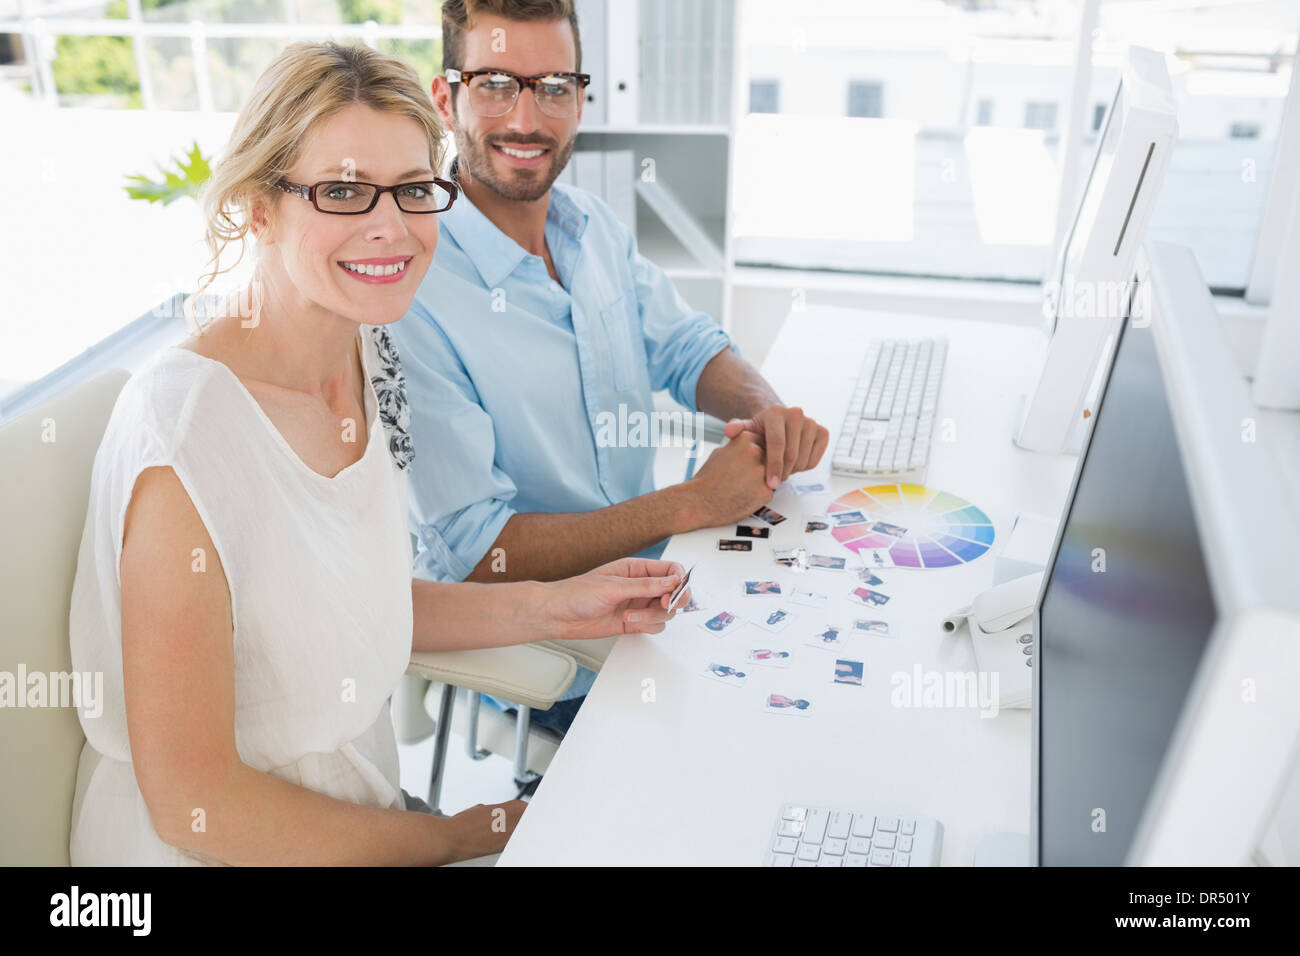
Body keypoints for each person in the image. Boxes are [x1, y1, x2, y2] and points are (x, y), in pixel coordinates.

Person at [67, 40, 687, 867]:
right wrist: (458, 836)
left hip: (364, 815)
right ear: (258, 205)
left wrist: (559, 605)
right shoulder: (187, 434)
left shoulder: (372, 351)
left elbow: (352, 601)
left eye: (412, 190)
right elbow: (194, 805)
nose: (391, 229)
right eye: (345, 191)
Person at [390, 0, 830, 732]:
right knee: (757, 742)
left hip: (669, 577)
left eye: (554, 85)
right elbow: (478, 554)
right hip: (554, 639)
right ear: (448, 98)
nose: (528, 119)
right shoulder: (413, 293)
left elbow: (687, 347)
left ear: (581, 98)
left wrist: (767, 412)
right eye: (497, 84)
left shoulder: (589, 226)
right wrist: (690, 503)